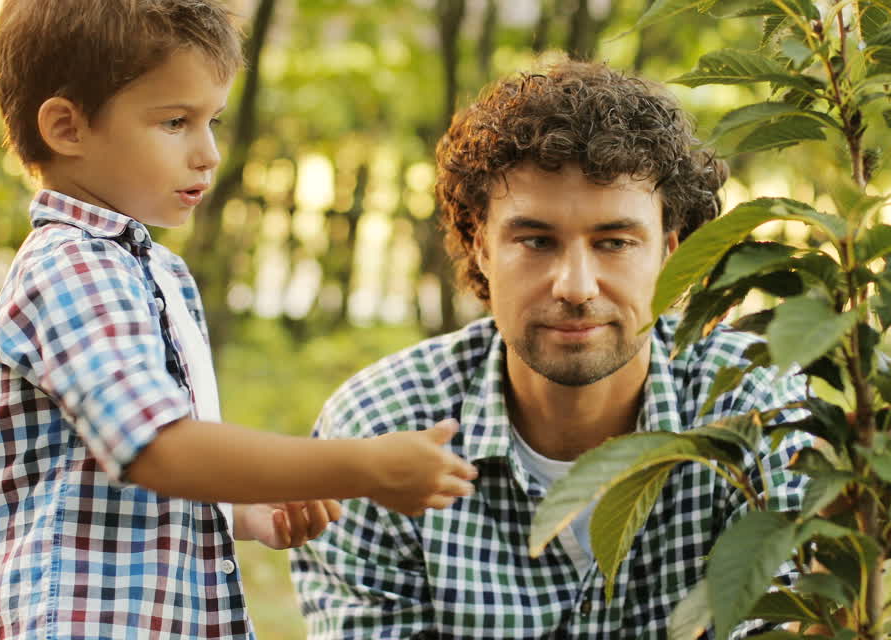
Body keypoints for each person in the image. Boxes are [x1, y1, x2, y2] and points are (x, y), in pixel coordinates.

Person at [0, 0, 476, 640]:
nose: (209, 152)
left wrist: (238, 511)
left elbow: (125, 473)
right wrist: (366, 466)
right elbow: (160, 449)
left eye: (212, 121)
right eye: (175, 122)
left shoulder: (151, 271)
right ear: (66, 127)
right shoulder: (71, 267)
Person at [290, 60, 811, 639]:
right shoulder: (378, 429)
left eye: (615, 242)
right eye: (536, 241)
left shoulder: (754, 410)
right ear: (478, 243)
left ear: (669, 251)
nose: (576, 287)